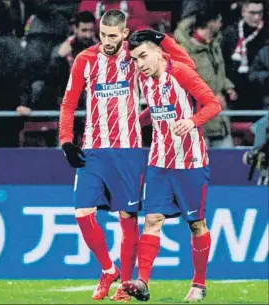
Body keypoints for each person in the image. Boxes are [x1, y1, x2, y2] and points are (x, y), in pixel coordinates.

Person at [59, 10, 195, 301]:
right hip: (93, 149)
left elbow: (186, 65)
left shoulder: (135, 58)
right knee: (82, 213)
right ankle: (108, 269)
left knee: (127, 217)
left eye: (113, 36)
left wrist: (162, 39)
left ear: (123, 34)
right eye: (103, 35)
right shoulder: (85, 59)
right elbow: (69, 103)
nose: (107, 41)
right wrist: (67, 141)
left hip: (129, 150)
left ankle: (125, 282)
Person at [122, 30, 222, 302]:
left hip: (190, 162)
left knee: (196, 224)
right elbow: (155, 110)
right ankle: (142, 281)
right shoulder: (144, 79)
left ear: (158, 52)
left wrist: (191, 122)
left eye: (143, 55)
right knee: (152, 220)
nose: (140, 63)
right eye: (135, 59)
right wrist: (133, 122)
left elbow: (213, 105)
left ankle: (199, 285)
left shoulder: (181, 72)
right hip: (159, 161)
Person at [175, 9, 238, 148]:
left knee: (228, 161)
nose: (221, 24)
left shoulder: (214, 45)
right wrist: (211, 97)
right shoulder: (184, 51)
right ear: (210, 23)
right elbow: (184, 83)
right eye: (219, 20)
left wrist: (227, 86)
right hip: (199, 121)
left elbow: (217, 72)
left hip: (219, 118)